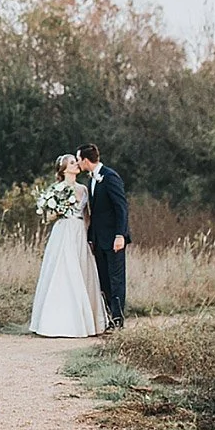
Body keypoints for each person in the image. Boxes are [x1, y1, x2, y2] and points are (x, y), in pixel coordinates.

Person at [29, 154, 110, 337]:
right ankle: (59, 321)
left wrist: (89, 236)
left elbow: (87, 215)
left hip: (79, 231)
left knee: (82, 272)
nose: (76, 165)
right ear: (64, 169)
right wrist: (58, 209)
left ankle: (85, 320)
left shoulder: (83, 189)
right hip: (63, 231)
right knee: (64, 271)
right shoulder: (57, 189)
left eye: (76, 161)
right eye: (72, 163)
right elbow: (48, 217)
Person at [78, 143, 130, 327]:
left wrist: (120, 235)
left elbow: (121, 208)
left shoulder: (109, 177)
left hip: (114, 239)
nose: (78, 164)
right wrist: (91, 237)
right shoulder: (91, 180)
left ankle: (118, 320)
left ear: (85, 160)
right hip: (99, 240)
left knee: (116, 280)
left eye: (79, 160)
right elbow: (95, 214)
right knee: (104, 280)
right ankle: (109, 317)